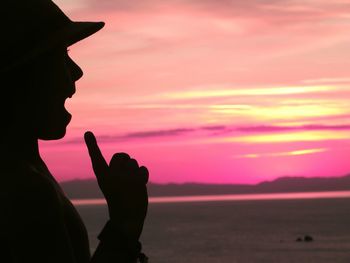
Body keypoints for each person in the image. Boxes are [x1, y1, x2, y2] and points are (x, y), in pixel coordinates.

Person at [0, 0, 149, 262]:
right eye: (59, 56)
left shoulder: (25, 173)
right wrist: (125, 223)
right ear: (21, 77)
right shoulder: (25, 190)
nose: (77, 72)